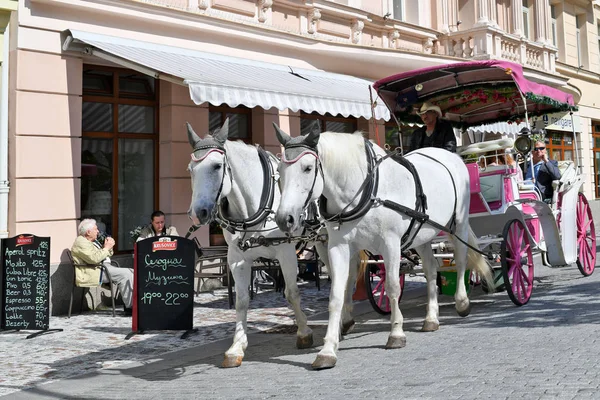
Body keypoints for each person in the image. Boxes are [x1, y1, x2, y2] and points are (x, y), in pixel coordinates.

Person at [71, 219, 134, 315]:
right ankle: (130, 307)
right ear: (88, 232)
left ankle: (132, 303)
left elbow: (105, 254)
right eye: (96, 229)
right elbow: (94, 259)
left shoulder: (91, 241)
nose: (98, 231)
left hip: (102, 268)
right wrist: (106, 248)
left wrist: (109, 247)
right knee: (125, 274)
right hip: (94, 271)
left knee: (132, 271)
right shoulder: (81, 242)